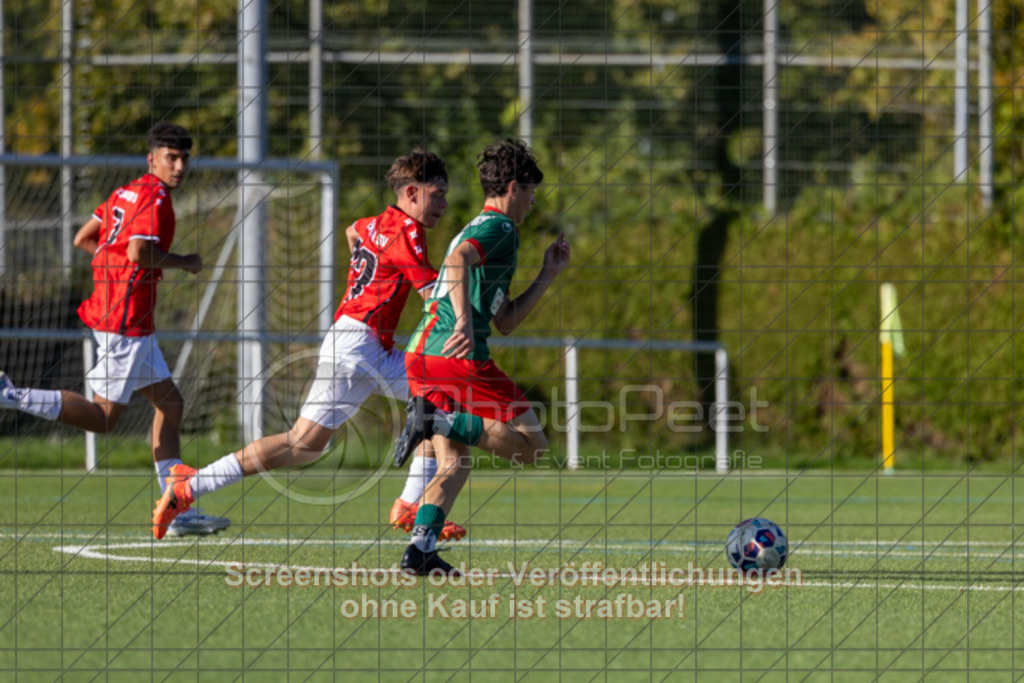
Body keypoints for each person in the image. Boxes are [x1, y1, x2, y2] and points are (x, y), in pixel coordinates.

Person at [151, 147, 467, 542]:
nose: (444, 203)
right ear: (411, 193)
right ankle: (409, 505)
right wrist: (469, 320)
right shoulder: (406, 231)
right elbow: (431, 295)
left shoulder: (374, 222)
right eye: (437, 194)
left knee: (306, 444)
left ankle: (189, 486)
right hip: (362, 347)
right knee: (441, 396)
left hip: (354, 342)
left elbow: (353, 230)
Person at [0, 122, 229, 537]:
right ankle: (10, 394)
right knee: (105, 418)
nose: (178, 166)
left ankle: (175, 507)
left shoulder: (125, 192)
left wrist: (114, 269)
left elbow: (86, 238)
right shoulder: (155, 198)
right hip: (125, 321)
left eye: (184, 158)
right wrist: (184, 262)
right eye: (170, 158)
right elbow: (141, 252)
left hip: (125, 315)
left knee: (171, 405)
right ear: (152, 159)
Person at [393, 138, 571, 575]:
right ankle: (434, 421)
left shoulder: (482, 229)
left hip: (421, 353)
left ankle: (419, 551)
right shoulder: (501, 228)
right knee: (532, 447)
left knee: (454, 462)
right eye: (530, 192)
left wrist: (547, 275)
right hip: (455, 354)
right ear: (513, 187)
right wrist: (462, 325)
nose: (531, 203)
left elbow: (505, 319)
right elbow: (455, 263)